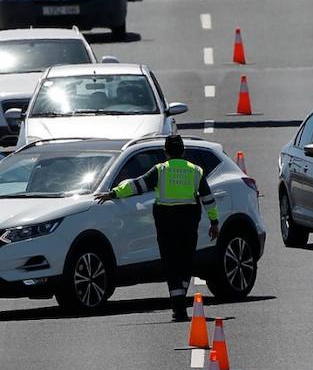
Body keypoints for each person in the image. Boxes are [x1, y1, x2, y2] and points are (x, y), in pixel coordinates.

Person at [94, 135, 219, 321]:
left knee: (171, 263)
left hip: (167, 222)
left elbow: (138, 185)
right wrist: (214, 222)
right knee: (185, 262)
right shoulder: (195, 171)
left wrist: (114, 193)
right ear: (183, 151)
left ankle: (178, 307)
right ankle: (180, 300)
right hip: (188, 221)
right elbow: (208, 199)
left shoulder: (161, 170)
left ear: (166, 152)